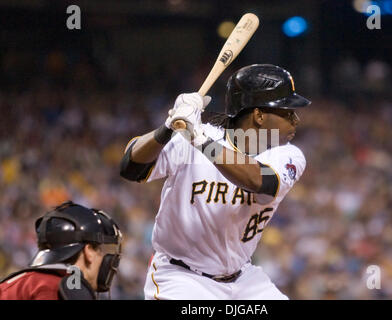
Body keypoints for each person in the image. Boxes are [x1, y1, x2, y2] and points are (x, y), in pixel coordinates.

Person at [120, 64, 311, 299]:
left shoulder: (288, 155)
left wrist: (197, 138)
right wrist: (167, 128)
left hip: (244, 279)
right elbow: (130, 166)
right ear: (259, 115)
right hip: (181, 278)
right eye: (287, 111)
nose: (296, 119)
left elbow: (258, 180)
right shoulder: (191, 139)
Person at [0, 201, 122, 300]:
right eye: (100, 251)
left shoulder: (31, 282)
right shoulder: (52, 288)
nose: (104, 259)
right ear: (89, 251)